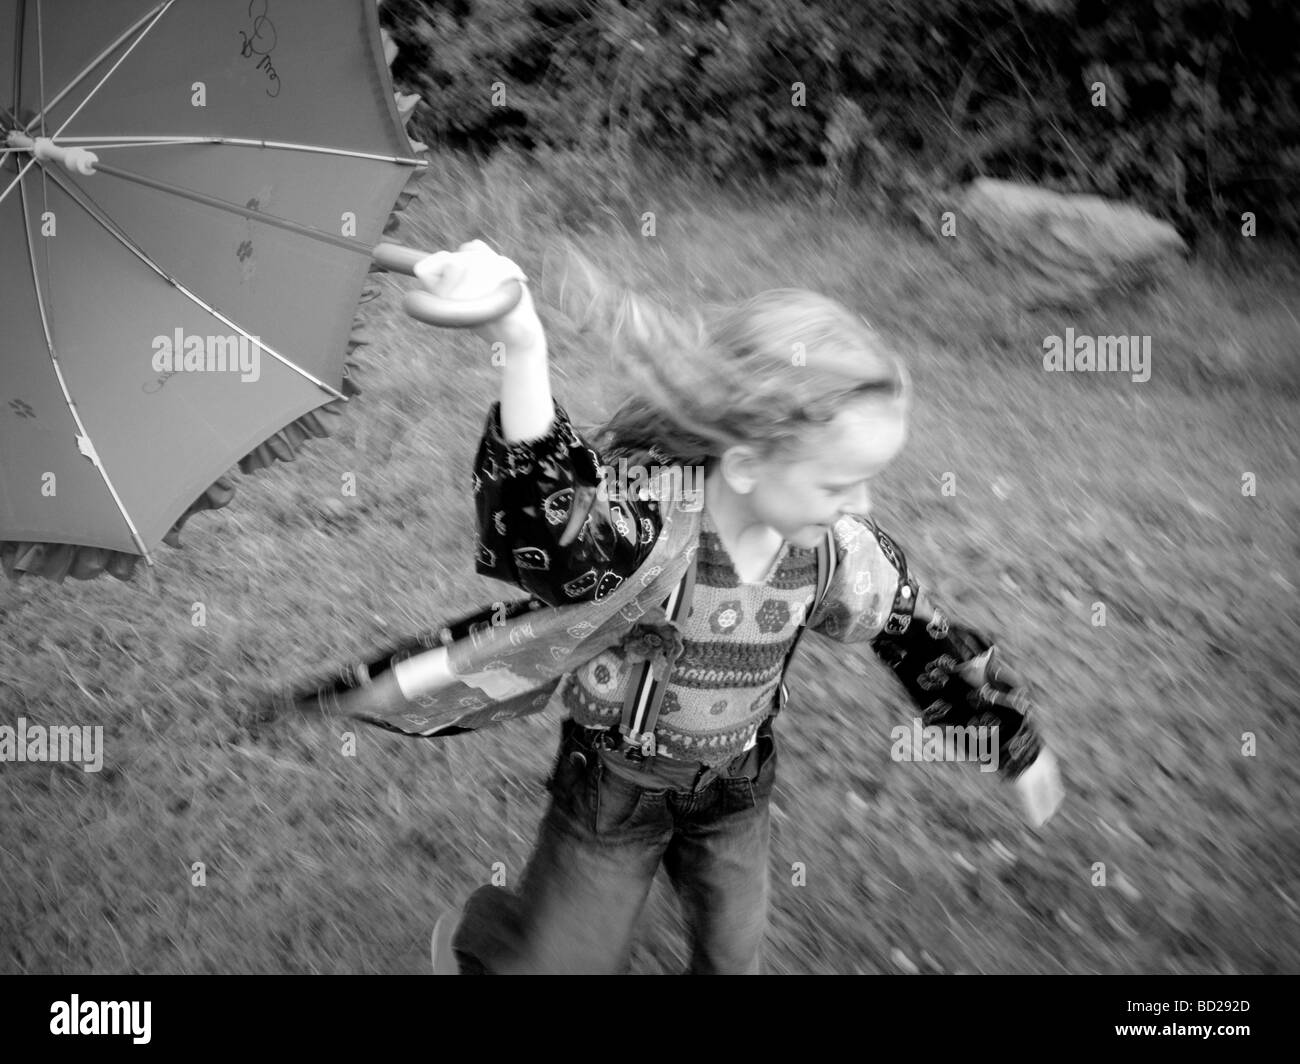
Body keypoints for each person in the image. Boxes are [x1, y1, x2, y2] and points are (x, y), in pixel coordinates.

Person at [416, 241, 1065, 975]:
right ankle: (478, 940)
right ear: (749, 465)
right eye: (838, 484)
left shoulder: (832, 555)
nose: (862, 505)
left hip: (735, 792)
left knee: (733, 957)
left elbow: (917, 635)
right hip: (615, 788)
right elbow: (549, 522)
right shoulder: (652, 531)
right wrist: (523, 343)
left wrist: (1010, 741)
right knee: (561, 960)